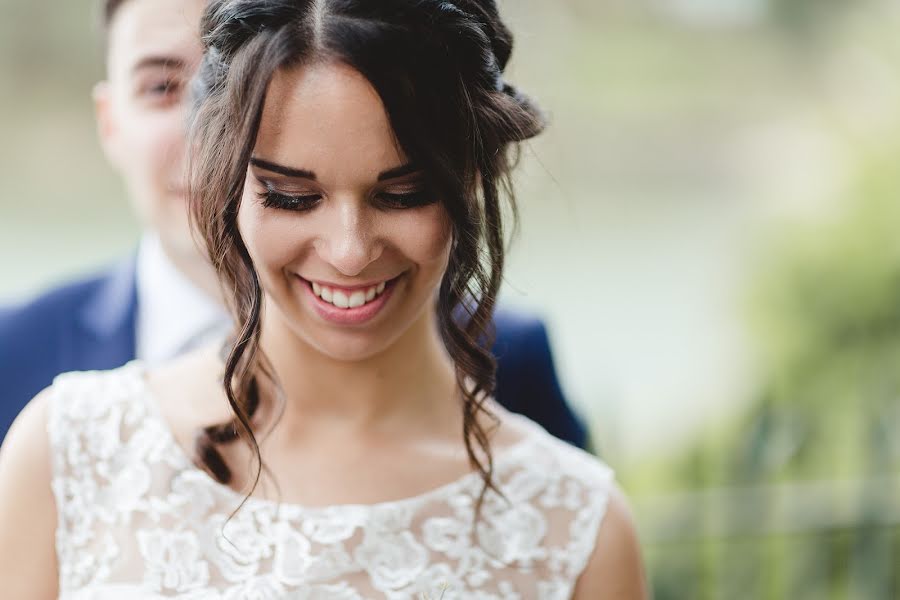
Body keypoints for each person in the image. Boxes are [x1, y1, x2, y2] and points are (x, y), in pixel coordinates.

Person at [0, 0, 645, 597]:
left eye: (404, 192)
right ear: (226, 179)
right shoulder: (65, 455)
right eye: (291, 196)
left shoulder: (578, 528)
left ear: (472, 174)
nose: (348, 250)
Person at [0, 0, 588, 450]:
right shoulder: (25, 373)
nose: (211, 133)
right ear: (109, 121)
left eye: (404, 192)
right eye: (162, 87)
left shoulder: (513, 361)